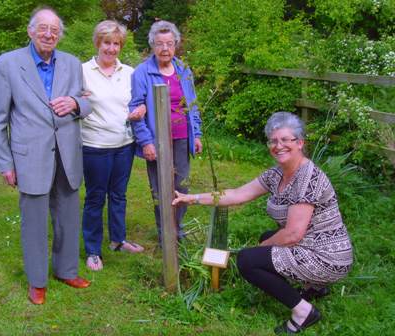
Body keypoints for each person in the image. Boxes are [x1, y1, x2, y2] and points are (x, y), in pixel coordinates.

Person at [172, 112, 353, 334]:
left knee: (248, 260)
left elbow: (293, 235)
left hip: (328, 257)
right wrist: (193, 198)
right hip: (312, 244)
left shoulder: (307, 178)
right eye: (274, 141)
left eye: (286, 140)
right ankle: (313, 286)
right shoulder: (278, 174)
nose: (279, 146)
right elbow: (237, 194)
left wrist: (258, 251)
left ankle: (303, 312)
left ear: (300, 143)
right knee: (266, 237)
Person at [0, 6, 92, 305]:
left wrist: (74, 103)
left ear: (60, 34)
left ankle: (67, 270)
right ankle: (37, 281)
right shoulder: (7, 64)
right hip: (29, 155)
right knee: (34, 221)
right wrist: (5, 163)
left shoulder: (72, 63)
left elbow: (86, 103)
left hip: (68, 154)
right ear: (30, 31)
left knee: (68, 217)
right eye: (43, 28)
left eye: (55, 30)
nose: (49, 34)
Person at [129, 20, 203, 243]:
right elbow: (136, 108)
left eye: (169, 44)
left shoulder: (183, 70)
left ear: (176, 45)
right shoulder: (142, 72)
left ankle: (176, 229)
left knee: (181, 185)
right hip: (157, 139)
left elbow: (192, 104)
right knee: (160, 189)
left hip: (182, 137)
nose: (165, 49)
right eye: (160, 44)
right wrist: (145, 141)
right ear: (152, 45)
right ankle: (165, 235)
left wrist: (196, 134)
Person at [81, 20, 146, 272]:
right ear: (98, 43)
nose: (111, 48)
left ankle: (118, 240)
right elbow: (73, 102)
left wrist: (141, 108)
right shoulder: (82, 71)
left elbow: (139, 101)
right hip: (95, 146)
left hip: (124, 145)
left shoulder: (129, 72)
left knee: (118, 195)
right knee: (96, 198)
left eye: (116, 43)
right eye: (107, 42)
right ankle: (93, 250)